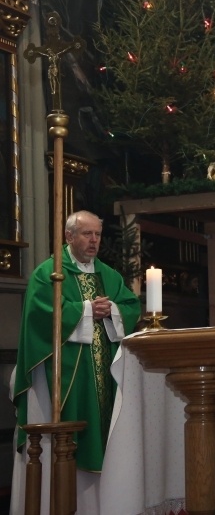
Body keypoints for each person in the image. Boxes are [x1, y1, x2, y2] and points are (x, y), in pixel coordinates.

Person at [11, 210, 141, 514]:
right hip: (63, 378)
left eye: (98, 234)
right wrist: (85, 309)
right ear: (69, 236)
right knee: (62, 440)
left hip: (103, 378)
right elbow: (40, 315)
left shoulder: (109, 275)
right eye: (87, 234)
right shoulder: (49, 273)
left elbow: (130, 305)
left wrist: (113, 310)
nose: (94, 240)